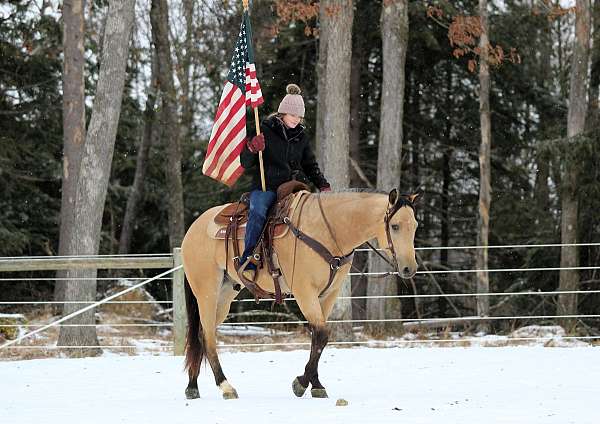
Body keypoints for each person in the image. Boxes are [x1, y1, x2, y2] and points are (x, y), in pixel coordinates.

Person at [238, 83, 331, 282]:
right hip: (266, 186)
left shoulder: (301, 136)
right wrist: (253, 148)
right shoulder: (264, 129)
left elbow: (310, 164)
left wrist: (322, 184)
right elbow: (245, 162)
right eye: (293, 115)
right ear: (283, 113)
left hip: (291, 187)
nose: (296, 120)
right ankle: (249, 260)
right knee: (258, 211)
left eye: (299, 117)